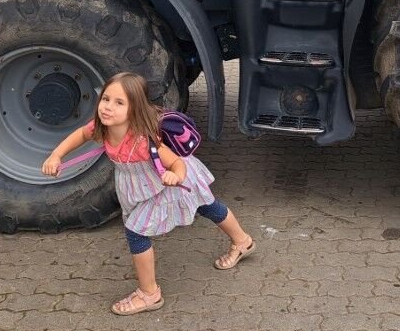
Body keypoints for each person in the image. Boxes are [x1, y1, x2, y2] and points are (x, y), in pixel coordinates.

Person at [42, 71, 255, 316]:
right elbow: (81, 134)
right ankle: (243, 241)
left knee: (138, 231)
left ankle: (149, 294)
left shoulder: (142, 141)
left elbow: (177, 163)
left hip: (164, 186)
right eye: (106, 99)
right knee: (206, 206)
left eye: (119, 103)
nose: (108, 107)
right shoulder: (103, 127)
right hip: (138, 187)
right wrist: (56, 155)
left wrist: (175, 174)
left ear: (134, 109)